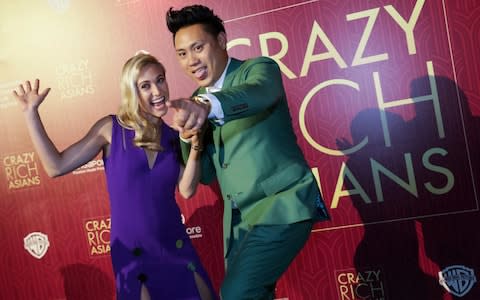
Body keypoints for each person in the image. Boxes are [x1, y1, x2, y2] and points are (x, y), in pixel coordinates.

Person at [12, 52, 216, 300]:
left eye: (160, 80)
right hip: (133, 253)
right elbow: (55, 167)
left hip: (175, 245)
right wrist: (31, 114)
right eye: (145, 86)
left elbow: (186, 189)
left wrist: (195, 145)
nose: (157, 90)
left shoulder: (173, 137)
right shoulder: (111, 129)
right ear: (132, 92)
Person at [165, 5, 330, 299]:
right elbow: (205, 175)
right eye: (182, 54)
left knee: (236, 293)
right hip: (239, 224)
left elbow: (261, 93)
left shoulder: (257, 69)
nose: (191, 61)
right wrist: (190, 139)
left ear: (222, 40)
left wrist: (207, 107)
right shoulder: (195, 99)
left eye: (198, 47)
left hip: (282, 203)